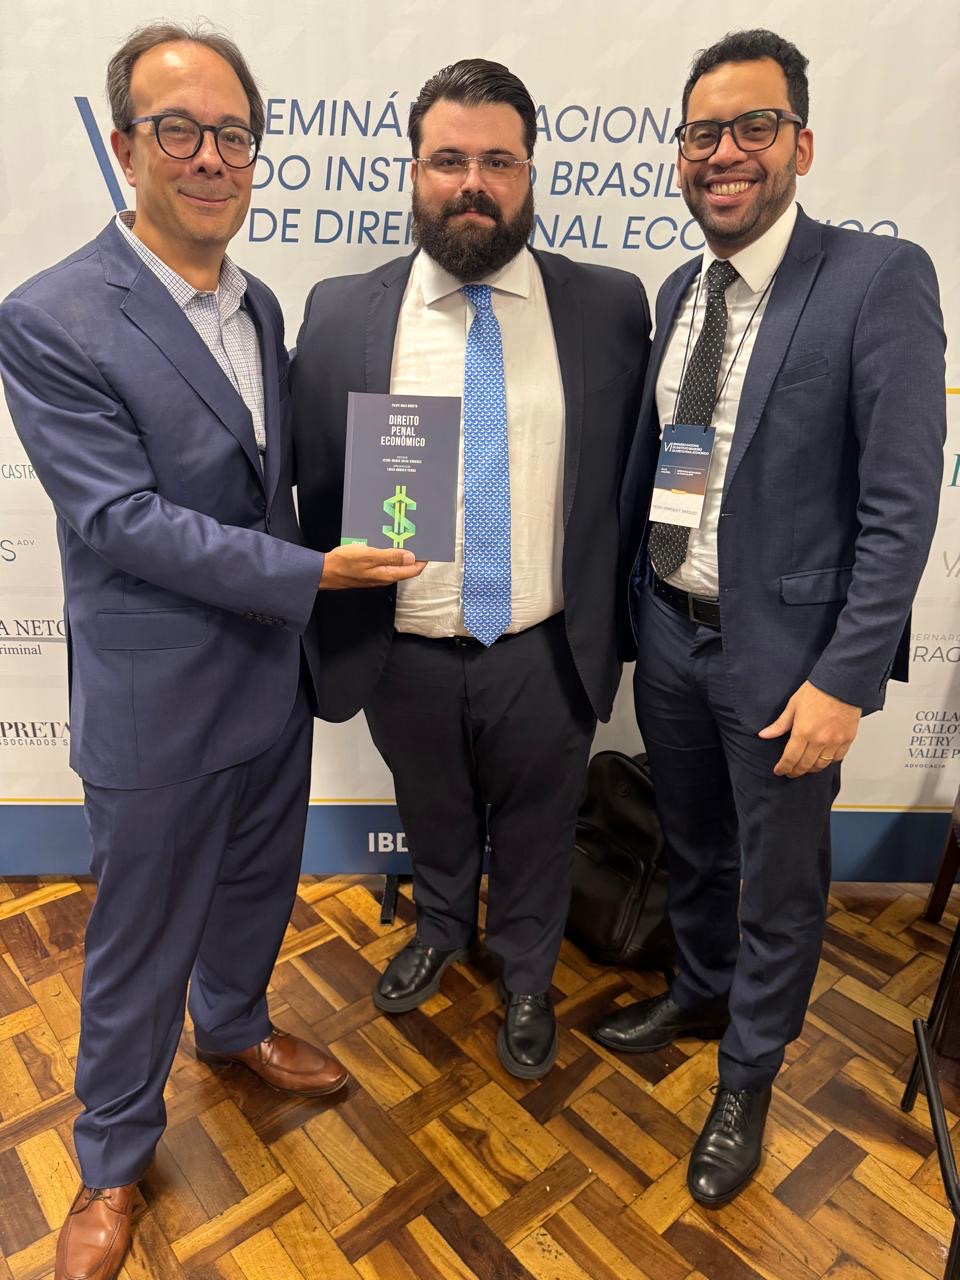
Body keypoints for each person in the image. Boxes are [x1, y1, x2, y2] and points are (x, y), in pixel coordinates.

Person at [0, 22, 422, 1280]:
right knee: (138, 940)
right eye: (178, 130)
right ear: (124, 145)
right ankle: (111, 1155)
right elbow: (120, 519)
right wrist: (313, 574)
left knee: (256, 886)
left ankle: (234, 1024)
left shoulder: (261, 301)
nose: (209, 157)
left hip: (270, 679)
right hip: (160, 696)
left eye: (233, 135)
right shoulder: (51, 315)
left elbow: (262, 480)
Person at [594, 29, 946, 1206]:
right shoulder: (681, 290)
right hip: (672, 630)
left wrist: (846, 678)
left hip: (791, 661)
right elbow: (671, 466)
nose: (725, 153)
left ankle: (748, 1073)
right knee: (692, 842)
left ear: (801, 142)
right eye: (703, 133)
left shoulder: (877, 280)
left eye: (753, 126)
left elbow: (899, 507)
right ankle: (700, 992)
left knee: (782, 881)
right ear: (681, 155)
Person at [292, 59, 650, 1080]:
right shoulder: (342, 311)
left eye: (499, 161)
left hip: (543, 643)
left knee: (540, 825)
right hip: (400, 642)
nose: (473, 183)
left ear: (531, 173)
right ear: (414, 171)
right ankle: (443, 926)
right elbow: (317, 477)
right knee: (433, 807)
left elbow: (632, 474)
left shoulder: (608, 306)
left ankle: (528, 973)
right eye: (449, 160)